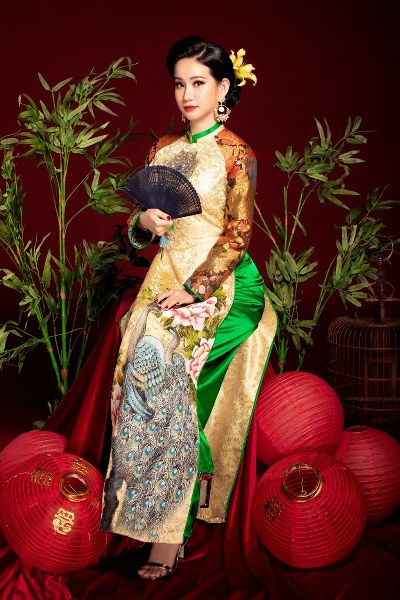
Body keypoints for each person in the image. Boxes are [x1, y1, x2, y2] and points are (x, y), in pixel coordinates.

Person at [100, 35, 277, 580]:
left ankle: (169, 533)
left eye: (198, 82)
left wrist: (196, 290)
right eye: (179, 84)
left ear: (223, 87)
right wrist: (142, 223)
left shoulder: (237, 153)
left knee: (163, 360)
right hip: (164, 275)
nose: (186, 94)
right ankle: (134, 515)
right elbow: (136, 238)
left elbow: (238, 234)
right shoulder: (162, 149)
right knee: (133, 366)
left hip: (217, 281)